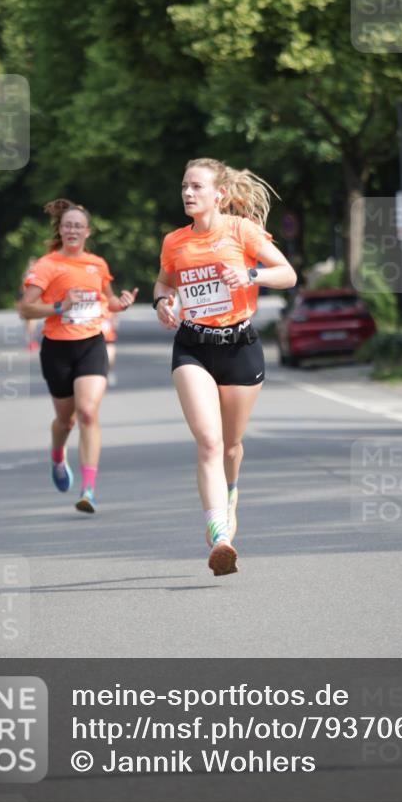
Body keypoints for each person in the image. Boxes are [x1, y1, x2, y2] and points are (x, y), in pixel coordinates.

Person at [153, 158, 297, 576]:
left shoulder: (241, 230)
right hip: (193, 347)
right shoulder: (174, 241)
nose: (188, 193)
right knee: (209, 442)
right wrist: (163, 302)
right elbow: (164, 282)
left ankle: (230, 492)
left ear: (219, 194)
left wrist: (249, 274)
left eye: (197, 186)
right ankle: (220, 536)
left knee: (231, 446)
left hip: (239, 346)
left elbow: (287, 274)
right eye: (184, 186)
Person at [19, 200, 138, 514]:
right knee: (66, 419)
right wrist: (59, 306)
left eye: (78, 226)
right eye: (67, 225)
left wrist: (121, 303)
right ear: (60, 229)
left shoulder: (97, 264)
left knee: (87, 413)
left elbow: (108, 301)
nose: (72, 230)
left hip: (91, 345)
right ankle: (58, 455)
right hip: (57, 348)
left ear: (87, 231)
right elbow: (25, 308)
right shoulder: (46, 265)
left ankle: (88, 489)